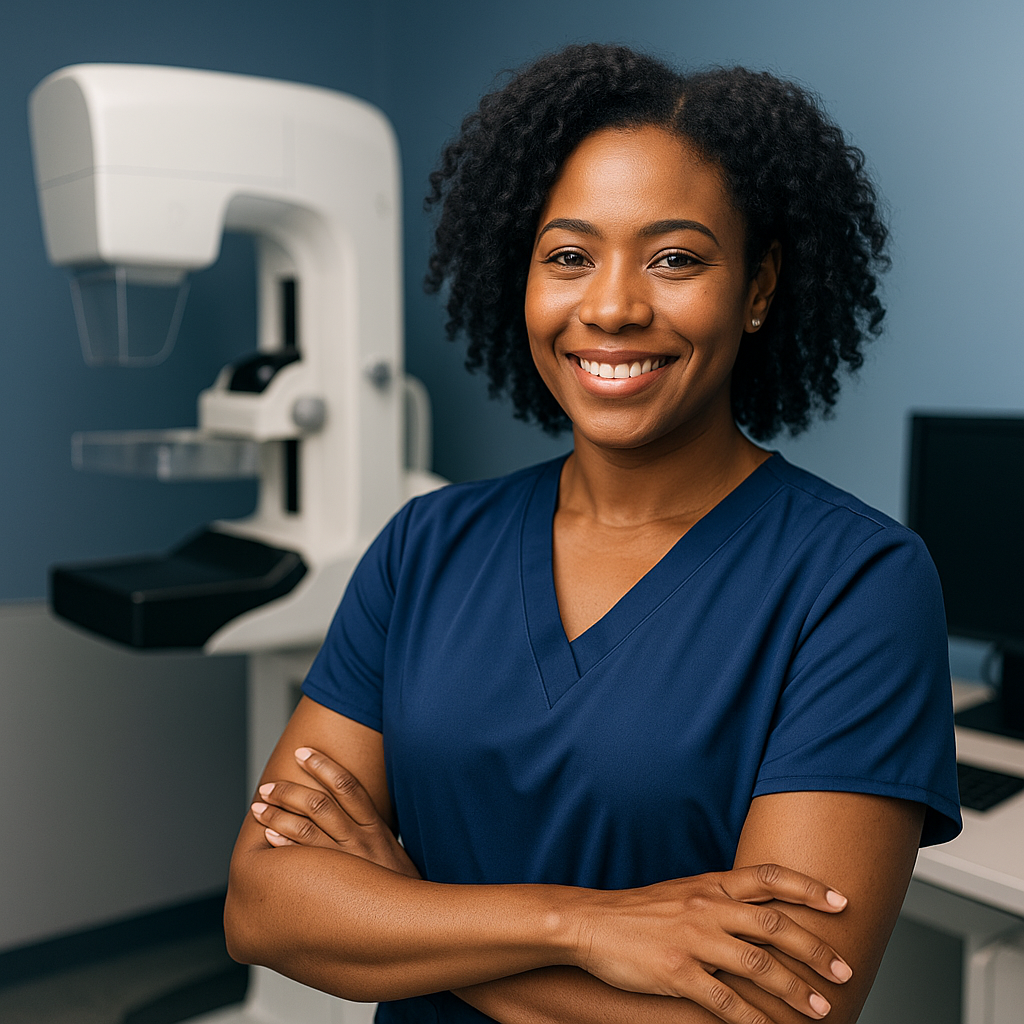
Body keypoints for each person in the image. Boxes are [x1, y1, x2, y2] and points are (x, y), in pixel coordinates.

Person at [224, 44, 961, 1024]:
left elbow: (772, 1014)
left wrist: (401, 913)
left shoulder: (857, 580)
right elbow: (265, 906)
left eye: (675, 258)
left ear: (757, 287)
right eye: (568, 255)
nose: (611, 307)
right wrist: (582, 926)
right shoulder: (425, 546)